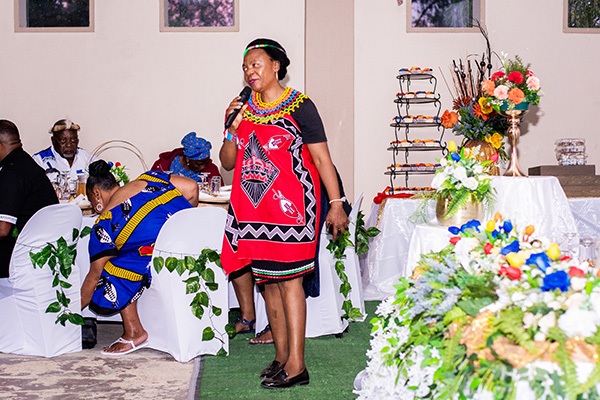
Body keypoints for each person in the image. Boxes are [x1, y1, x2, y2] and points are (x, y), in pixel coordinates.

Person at [219, 38, 349, 389]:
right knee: (268, 284)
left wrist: (336, 203)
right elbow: (228, 162)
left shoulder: (300, 106)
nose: (249, 71)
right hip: (253, 211)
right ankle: (280, 357)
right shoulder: (244, 109)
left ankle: (297, 365)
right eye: (245, 67)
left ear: (276, 66)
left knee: (290, 282)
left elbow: (321, 158)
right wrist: (231, 129)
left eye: (256, 64)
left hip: (293, 210)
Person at [80, 160, 199, 355]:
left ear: (96, 194)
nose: (94, 208)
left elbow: (94, 276)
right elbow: (192, 188)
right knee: (132, 252)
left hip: (161, 261)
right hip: (191, 247)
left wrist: (72, 310)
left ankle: (134, 332)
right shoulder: (151, 177)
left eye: (92, 202)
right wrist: (180, 223)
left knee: (111, 268)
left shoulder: (104, 222)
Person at [0, 120, 58, 278]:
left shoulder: (12, 173)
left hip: (18, 257)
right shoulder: (25, 163)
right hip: (39, 253)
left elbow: (3, 229)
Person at [151, 132, 221, 181]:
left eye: (206, 162)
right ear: (188, 159)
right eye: (199, 164)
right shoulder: (163, 165)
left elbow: (219, 191)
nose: (203, 167)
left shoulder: (211, 169)